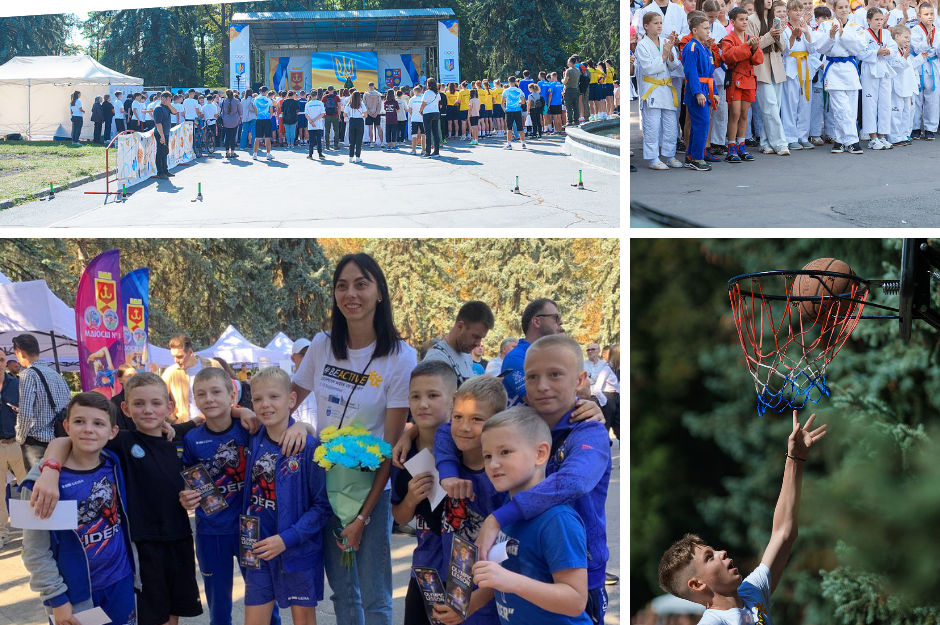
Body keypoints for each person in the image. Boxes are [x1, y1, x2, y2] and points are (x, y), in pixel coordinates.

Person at [442, 336, 613, 621]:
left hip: (578, 573)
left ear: (581, 378)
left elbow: (575, 481)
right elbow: (457, 428)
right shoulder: (520, 421)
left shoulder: (588, 430)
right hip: (521, 565)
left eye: (555, 374)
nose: (542, 385)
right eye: (532, 376)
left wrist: (498, 517)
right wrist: (413, 436)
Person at [290, 253, 418, 625]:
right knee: (343, 592)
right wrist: (252, 412)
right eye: (342, 285)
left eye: (361, 284)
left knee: (375, 595)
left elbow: (389, 449)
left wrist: (363, 517)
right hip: (325, 486)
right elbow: (286, 401)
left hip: (370, 492)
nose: (351, 294)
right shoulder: (322, 344)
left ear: (379, 292)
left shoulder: (400, 357)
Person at [30, 373, 211, 625]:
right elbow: (65, 440)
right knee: (151, 615)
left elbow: (202, 417)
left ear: (169, 408)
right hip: (141, 548)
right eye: (138, 404)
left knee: (173, 612)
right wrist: (49, 468)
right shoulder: (120, 442)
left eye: (156, 403)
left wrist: (241, 413)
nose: (148, 410)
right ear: (125, 409)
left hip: (179, 540)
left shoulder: (178, 437)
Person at [658, 410, 827, 624]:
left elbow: (783, 533)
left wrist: (795, 458)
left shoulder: (751, 594)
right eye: (709, 557)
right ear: (697, 585)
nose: (722, 552)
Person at [180, 368, 306, 625]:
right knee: (218, 602)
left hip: (251, 531)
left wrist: (302, 425)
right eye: (201, 394)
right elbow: (188, 482)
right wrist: (186, 497)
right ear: (195, 399)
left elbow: (287, 427)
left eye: (216, 392)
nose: (209, 399)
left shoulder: (251, 428)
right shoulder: (192, 439)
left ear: (232, 395)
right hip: (212, 533)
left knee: (262, 596)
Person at [463, 407, 593, 624]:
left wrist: (511, 581)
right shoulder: (507, 511)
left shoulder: (557, 520)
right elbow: (507, 573)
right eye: (487, 456)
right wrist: (471, 603)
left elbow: (576, 600)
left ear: (540, 454)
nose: (493, 464)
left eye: (505, 452)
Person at [20, 393, 140, 625]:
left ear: (112, 432)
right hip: (75, 596)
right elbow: (35, 551)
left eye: (98, 423)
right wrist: (56, 599)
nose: (88, 429)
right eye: (79, 421)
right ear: (66, 426)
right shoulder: (40, 484)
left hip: (121, 583)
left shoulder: (113, 463)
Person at [240, 367, 328, 625]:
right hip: (258, 548)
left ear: (291, 399)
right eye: (257, 399)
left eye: (274, 397)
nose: (265, 404)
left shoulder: (309, 447)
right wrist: (239, 410)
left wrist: (286, 539)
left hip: (296, 550)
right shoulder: (253, 437)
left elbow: (323, 507)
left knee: (303, 620)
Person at [425, 376, 508, 625]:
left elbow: (510, 560)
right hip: (453, 586)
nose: (463, 427)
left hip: (489, 598)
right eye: (458, 416)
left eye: (477, 419)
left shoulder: (503, 479)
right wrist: (448, 475)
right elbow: (442, 431)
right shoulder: (449, 449)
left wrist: (469, 604)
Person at [391, 360, 456, 625]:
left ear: (453, 399)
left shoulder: (467, 443)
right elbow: (399, 516)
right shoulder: (402, 454)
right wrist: (410, 498)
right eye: (416, 396)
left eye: (433, 395)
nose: (423, 404)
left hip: (463, 571)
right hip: (424, 569)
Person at [11, 334, 70, 472]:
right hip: (59, 439)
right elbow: (68, 403)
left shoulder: (28, 374)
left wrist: (20, 438)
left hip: (37, 443)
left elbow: (25, 413)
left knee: (37, 487)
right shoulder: (55, 374)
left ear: (21, 352)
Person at [817, 0, 867, 153]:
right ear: (834, 9)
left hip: (850, 69)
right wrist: (831, 36)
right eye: (840, 7)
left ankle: (840, 140)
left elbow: (859, 48)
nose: (844, 10)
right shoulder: (825, 26)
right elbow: (820, 47)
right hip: (833, 69)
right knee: (840, 108)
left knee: (850, 109)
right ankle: (853, 141)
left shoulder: (856, 28)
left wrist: (842, 35)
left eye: (846, 7)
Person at [638, 13, 684, 170]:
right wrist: (663, 55)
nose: (659, 26)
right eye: (655, 23)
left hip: (666, 88)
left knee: (671, 124)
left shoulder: (665, 41)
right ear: (646, 26)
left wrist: (670, 52)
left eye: (660, 23)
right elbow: (649, 69)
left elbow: (674, 66)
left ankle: (670, 155)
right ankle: (653, 159)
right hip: (652, 89)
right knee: (652, 125)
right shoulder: (641, 45)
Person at [747, 0, 791, 156]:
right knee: (770, 106)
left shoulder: (775, 19)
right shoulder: (751, 19)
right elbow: (752, 46)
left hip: (777, 66)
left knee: (773, 108)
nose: (769, 1)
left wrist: (778, 35)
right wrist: (769, 35)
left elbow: (783, 47)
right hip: (760, 67)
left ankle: (765, 143)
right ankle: (780, 143)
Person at [499, 299, 563, 407]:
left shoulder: (551, 356)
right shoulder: (515, 358)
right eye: (555, 317)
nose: (561, 322)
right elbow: (539, 401)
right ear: (537, 322)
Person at [423, 301, 494, 387]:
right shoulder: (436, 359)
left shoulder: (466, 354)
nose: (478, 343)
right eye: (476, 336)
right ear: (460, 326)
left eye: (481, 338)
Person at [682, 14, 721, 170]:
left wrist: (715, 92)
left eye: (708, 28)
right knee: (701, 123)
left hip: (706, 89)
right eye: (705, 28)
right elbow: (691, 72)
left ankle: (691, 156)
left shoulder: (704, 48)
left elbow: (710, 74)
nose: (708, 31)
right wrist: (698, 92)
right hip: (696, 92)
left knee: (701, 123)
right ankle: (697, 158)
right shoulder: (691, 47)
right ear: (695, 30)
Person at [860, 7, 900, 149]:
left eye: (881, 19)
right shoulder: (864, 34)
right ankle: (873, 137)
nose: (879, 22)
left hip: (884, 70)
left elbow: (894, 49)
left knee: (885, 103)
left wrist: (887, 52)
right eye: (876, 19)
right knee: (870, 104)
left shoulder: (886, 33)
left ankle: (882, 135)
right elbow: (860, 53)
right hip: (870, 71)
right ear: (868, 20)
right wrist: (876, 52)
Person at [779, 0, 816, 151]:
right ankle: (790, 137)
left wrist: (806, 32)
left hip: (805, 66)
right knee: (790, 103)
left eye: (800, 10)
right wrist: (793, 36)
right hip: (791, 67)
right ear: (788, 12)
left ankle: (803, 136)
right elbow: (785, 50)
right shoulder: (784, 28)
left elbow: (813, 49)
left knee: (805, 103)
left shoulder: (807, 27)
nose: (798, 13)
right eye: (794, 10)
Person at [162, 334, 221, 421]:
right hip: (186, 427)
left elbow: (229, 391)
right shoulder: (170, 372)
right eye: (173, 357)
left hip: (214, 423)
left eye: (179, 356)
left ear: (190, 352)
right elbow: (157, 396)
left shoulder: (213, 365)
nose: (175, 360)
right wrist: (172, 418)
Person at [0, 351, 24, 551]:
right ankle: (2, 533)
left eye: (1, 360)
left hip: (17, 442)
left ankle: (34, 530)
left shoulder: (17, 384)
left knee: (29, 487)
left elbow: (29, 409)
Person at [889, 24, 926, 145]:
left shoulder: (905, 51)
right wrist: (904, 58)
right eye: (905, 37)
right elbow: (895, 67)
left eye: (909, 39)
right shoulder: (893, 50)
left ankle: (904, 134)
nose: (907, 40)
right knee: (896, 112)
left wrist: (920, 58)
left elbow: (910, 67)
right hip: (897, 86)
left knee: (907, 112)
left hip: (907, 86)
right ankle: (894, 137)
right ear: (897, 36)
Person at [910, 1, 939, 140]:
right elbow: (915, 48)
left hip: (933, 67)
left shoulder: (938, 31)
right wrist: (926, 42)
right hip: (919, 65)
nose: (929, 17)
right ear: (919, 16)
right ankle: (915, 127)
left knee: (932, 99)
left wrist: (935, 49)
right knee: (917, 98)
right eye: (926, 14)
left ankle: (930, 128)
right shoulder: (915, 30)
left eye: (932, 14)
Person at [592, 345, 620, 440]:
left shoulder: (618, 369)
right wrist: (605, 402)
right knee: (605, 428)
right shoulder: (606, 369)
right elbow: (596, 389)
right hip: (609, 398)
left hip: (616, 398)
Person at [153, 91, 178, 179]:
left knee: (165, 152)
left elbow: (175, 112)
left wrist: (169, 104)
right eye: (169, 99)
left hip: (166, 132)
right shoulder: (159, 108)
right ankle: (160, 172)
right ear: (165, 98)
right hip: (160, 133)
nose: (170, 101)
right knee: (160, 153)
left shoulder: (167, 107)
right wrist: (162, 136)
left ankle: (165, 170)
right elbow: (158, 124)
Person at [502, 76, 527, 150]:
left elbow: (502, 102)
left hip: (509, 110)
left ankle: (509, 144)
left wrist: (504, 109)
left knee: (509, 128)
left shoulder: (506, 91)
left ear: (509, 82)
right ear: (515, 82)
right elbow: (523, 101)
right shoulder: (519, 91)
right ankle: (523, 143)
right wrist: (519, 102)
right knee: (520, 127)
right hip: (517, 110)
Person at [110, 364, 137, 431]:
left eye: (136, 376)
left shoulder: (145, 398)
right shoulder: (115, 401)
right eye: (129, 376)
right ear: (120, 380)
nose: (134, 379)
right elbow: (120, 430)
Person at [420, 78, 442, 158]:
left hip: (428, 113)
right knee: (436, 133)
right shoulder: (437, 93)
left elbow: (423, 103)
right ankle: (436, 151)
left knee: (428, 133)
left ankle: (427, 152)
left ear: (428, 84)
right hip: (436, 112)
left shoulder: (427, 93)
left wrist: (420, 110)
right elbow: (438, 102)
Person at [345, 90, 367, 163]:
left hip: (352, 121)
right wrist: (362, 115)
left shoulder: (349, 105)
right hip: (359, 121)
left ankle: (350, 157)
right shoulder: (361, 104)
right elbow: (365, 115)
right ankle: (358, 157)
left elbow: (344, 114)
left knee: (352, 140)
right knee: (359, 140)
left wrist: (349, 116)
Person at [253, 87, 275, 161]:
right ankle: (268, 154)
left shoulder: (256, 100)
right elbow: (271, 112)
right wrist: (269, 117)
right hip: (267, 119)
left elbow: (255, 111)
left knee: (257, 137)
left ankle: (255, 154)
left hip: (259, 119)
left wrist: (259, 116)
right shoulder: (269, 100)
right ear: (266, 91)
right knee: (267, 137)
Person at [221, 89, 242, 158]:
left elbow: (222, 111)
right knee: (233, 136)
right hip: (234, 121)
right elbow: (240, 111)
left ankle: (227, 152)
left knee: (227, 137)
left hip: (226, 121)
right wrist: (240, 118)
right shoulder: (236, 101)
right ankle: (232, 152)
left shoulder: (224, 101)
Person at [306, 92, 326, 159]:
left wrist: (311, 121)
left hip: (311, 125)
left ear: (311, 96)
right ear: (317, 95)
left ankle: (310, 154)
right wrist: (314, 120)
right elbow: (322, 114)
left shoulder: (308, 104)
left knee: (311, 140)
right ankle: (320, 154)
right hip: (318, 125)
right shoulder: (320, 103)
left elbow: (306, 114)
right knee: (319, 140)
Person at [364, 82, 385, 146]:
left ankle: (371, 143)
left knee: (370, 128)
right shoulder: (378, 94)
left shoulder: (366, 94)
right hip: (377, 114)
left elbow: (365, 104)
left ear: (368, 87)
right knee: (379, 127)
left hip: (369, 114)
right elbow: (379, 104)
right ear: (374, 86)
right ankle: (381, 142)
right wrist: (376, 113)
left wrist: (369, 113)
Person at [323, 86, 343, 150]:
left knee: (327, 131)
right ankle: (336, 145)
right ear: (333, 90)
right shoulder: (337, 97)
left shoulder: (325, 97)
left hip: (327, 115)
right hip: (335, 115)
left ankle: (327, 145)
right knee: (336, 131)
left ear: (328, 90)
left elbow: (322, 107)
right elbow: (339, 107)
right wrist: (339, 116)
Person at [409, 85, 426, 154]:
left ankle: (413, 150)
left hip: (414, 119)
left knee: (414, 134)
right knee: (423, 134)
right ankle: (423, 149)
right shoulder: (423, 98)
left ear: (414, 91)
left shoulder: (412, 99)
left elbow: (410, 110)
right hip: (423, 119)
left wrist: (412, 116)